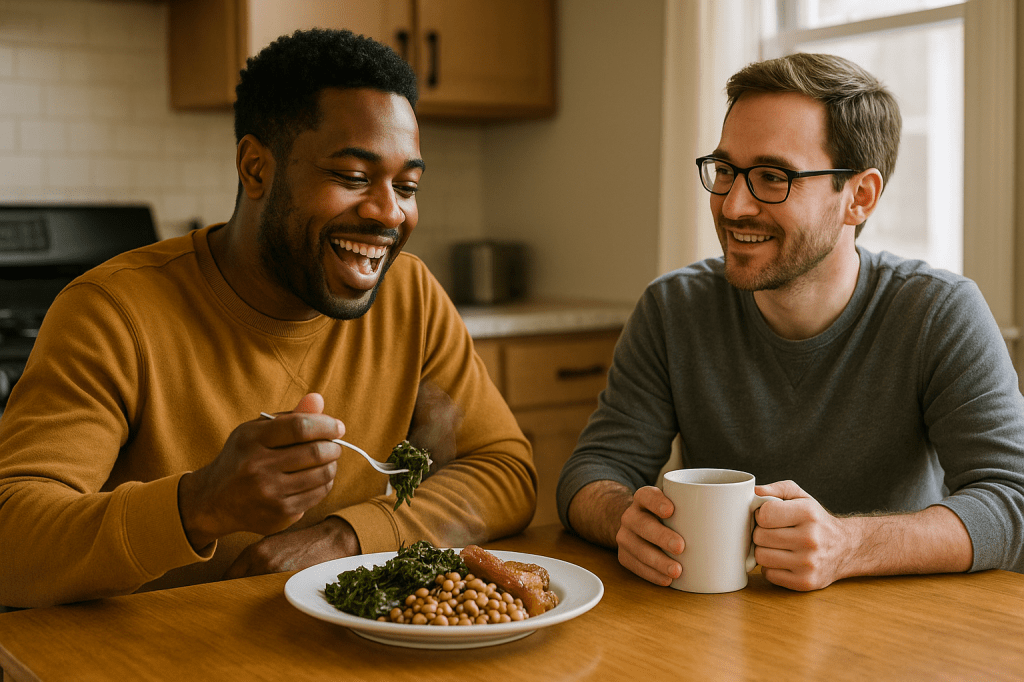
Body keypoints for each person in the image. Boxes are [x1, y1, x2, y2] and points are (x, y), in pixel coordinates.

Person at [0, 29, 536, 608]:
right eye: (353, 177)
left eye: (406, 186)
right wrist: (199, 505)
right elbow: (12, 543)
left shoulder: (411, 296)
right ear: (255, 168)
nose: (389, 212)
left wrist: (348, 538)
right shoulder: (112, 312)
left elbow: (503, 471)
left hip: (334, 644)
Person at [557, 53, 1024, 591]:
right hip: (723, 623)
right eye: (726, 171)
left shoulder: (939, 313)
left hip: (897, 625)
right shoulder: (673, 308)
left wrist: (848, 546)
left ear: (859, 197)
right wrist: (625, 519)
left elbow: (1012, 500)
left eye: (772, 177)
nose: (733, 206)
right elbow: (591, 472)